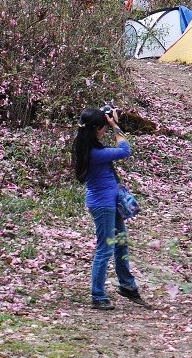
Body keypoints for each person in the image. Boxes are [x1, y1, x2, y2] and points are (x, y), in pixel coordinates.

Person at [71, 106, 146, 310]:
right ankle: (97, 295)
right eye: (103, 126)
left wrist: (108, 124)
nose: (105, 129)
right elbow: (125, 150)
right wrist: (115, 126)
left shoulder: (87, 145)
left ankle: (127, 285)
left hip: (109, 203)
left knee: (120, 242)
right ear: (97, 128)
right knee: (105, 248)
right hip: (103, 206)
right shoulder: (95, 152)